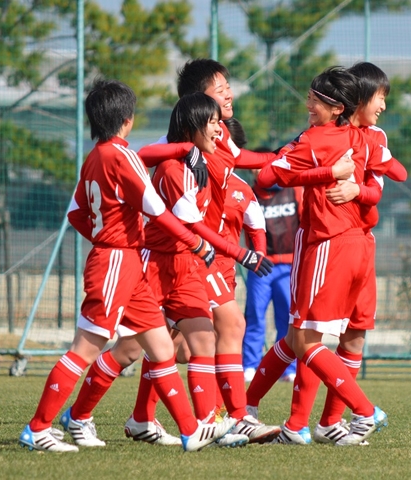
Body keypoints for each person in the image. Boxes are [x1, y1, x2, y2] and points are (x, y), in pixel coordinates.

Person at [18, 79, 233, 453]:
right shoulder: (122, 156)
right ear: (128, 120)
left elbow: (76, 215)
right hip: (118, 261)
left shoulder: (95, 156)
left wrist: (106, 236)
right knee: (84, 349)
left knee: (161, 347)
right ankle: (38, 428)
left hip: (125, 260)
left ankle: (189, 431)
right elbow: (158, 211)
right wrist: (194, 242)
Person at [245, 64, 408, 445]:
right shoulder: (352, 139)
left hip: (331, 244)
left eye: (314, 99)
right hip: (352, 245)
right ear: (359, 101)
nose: (383, 104)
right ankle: (295, 422)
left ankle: (353, 413)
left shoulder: (348, 138)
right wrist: (343, 174)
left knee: (308, 338)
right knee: (305, 337)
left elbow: (267, 180)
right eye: (380, 96)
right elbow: (394, 175)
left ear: (339, 106)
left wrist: (347, 183)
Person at [138, 59, 282, 443]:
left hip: (202, 254)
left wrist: (294, 157)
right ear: (198, 102)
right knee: (137, 345)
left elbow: (253, 163)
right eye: (221, 90)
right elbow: (144, 156)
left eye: (228, 86)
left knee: (177, 343)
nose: (230, 94)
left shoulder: (220, 142)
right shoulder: (182, 153)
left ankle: (195, 418)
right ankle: (233, 416)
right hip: (186, 254)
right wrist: (241, 254)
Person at [242, 148, 303, 384]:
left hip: (289, 267)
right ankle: (249, 365)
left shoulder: (294, 189)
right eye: (255, 167)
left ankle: (287, 369)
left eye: (264, 166)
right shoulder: (250, 193)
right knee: (255, 316)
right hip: (261, 267)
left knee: (286, 319)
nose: (259, 171)